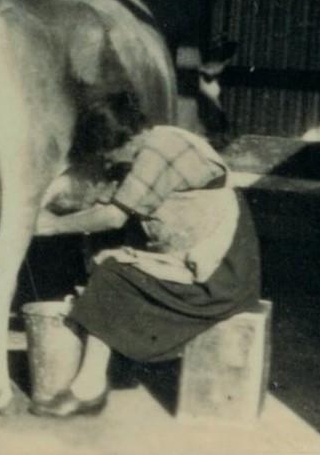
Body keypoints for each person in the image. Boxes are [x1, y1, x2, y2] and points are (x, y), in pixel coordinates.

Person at [31, 92, 261, 418]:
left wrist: (51, 226)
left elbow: (113, 216)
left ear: (121, 141)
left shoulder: (159, 152)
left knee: (112, 274)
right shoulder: (160, 140)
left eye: (107, 154)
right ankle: (109, 361)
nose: (108, 162)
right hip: (207, 257)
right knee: (108, 257)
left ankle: (88, 388)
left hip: (220, 272)